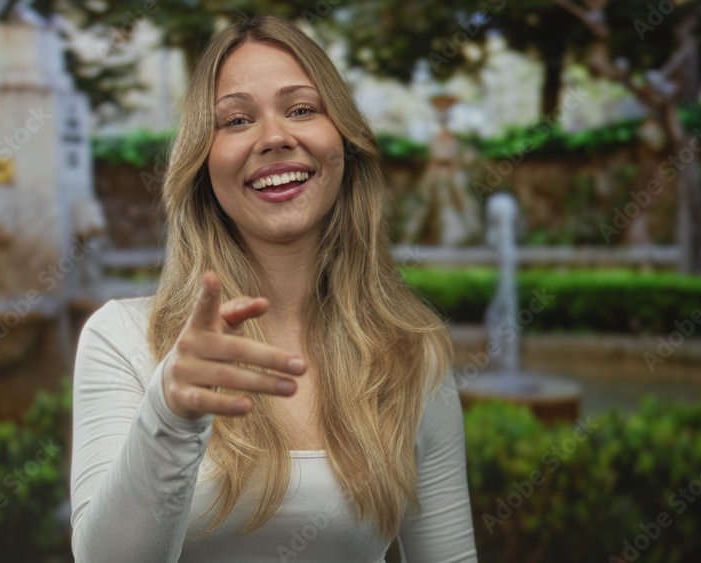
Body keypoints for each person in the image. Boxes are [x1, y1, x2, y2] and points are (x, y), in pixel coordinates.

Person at [70, 14, 478, 562]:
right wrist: (170, 413)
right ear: (203, 165)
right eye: (236, 120)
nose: (275, 137)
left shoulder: (412, 352)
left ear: (344, 143)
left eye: (302, 109)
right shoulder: (121, 339)